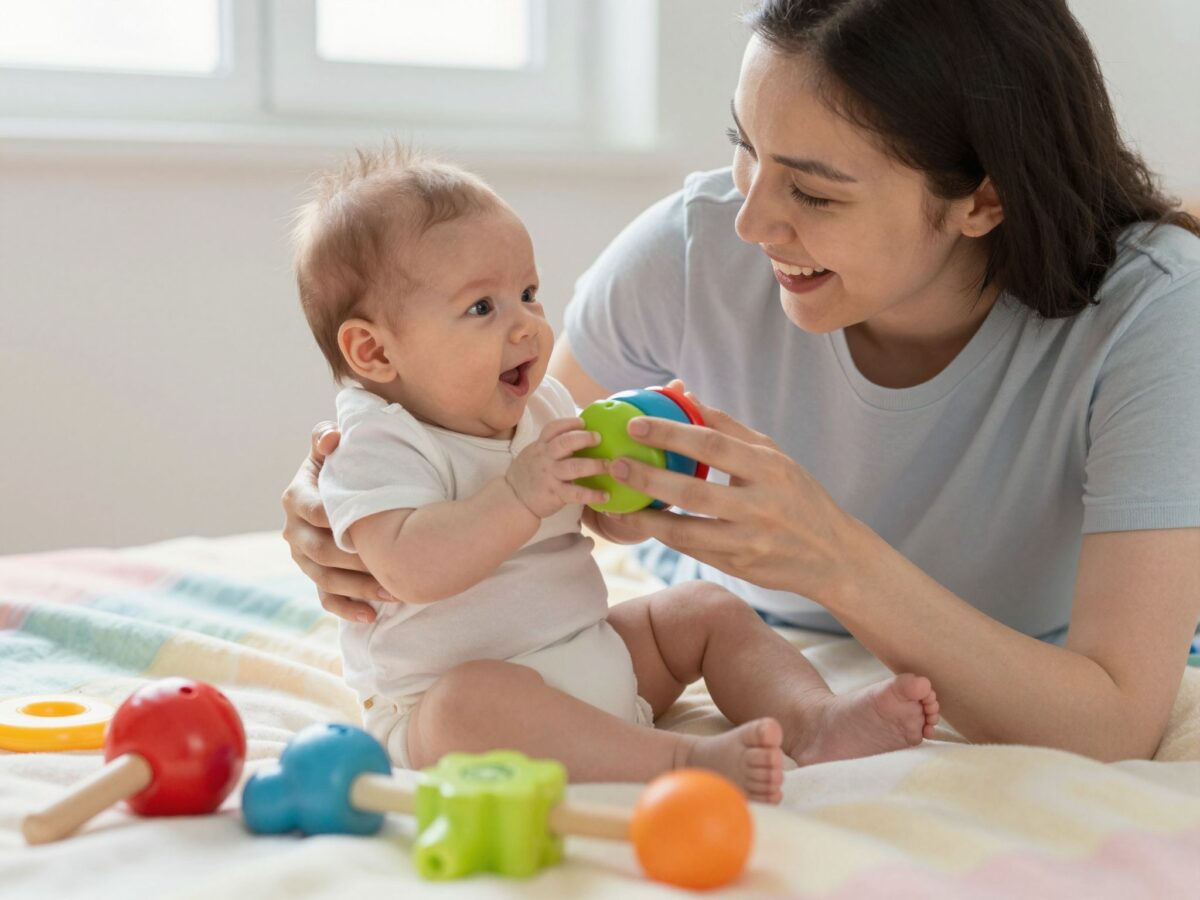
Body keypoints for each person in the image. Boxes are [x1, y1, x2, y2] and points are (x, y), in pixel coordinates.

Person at [283, 0, 1200, 762]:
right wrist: (338, 505)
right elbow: (496, 432)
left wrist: (830, 554)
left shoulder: (1152, 315)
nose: (752, 219)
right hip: (639, 662)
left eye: (814, 191)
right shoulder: (695, 243)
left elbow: (1115, 722)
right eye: (745, 147)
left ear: (983, 200)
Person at [289, 145, 940, 801]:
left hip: (596, 655)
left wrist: (620, 507)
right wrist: (517, 495)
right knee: (468, 703)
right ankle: (680, 759)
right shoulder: (373, 445)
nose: (526, 328)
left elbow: (591, 523)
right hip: (460, 709)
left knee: (704, 609)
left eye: (528, 293)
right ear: (373, 351)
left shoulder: (540, 406)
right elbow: (412, 570)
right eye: (482, 308)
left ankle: (814, 721)